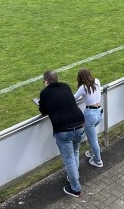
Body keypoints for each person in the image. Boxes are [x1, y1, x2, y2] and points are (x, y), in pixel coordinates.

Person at [38, 70, 85, 198]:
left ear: (46, 81)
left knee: (69, 159)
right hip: (80, 124)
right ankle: (74, 177)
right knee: (75, 153)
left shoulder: (45, 92)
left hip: (64, 129)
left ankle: (76, 188)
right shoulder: (65, 86)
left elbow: (43, 110)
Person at [73, 68, 103, 168]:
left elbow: (74, 98)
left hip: (90, 115)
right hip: (99, 113)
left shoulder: (83, 87)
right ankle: (93, 152)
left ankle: (98, 160)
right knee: (92, 137)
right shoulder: (97, 81)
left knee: (93, 139)